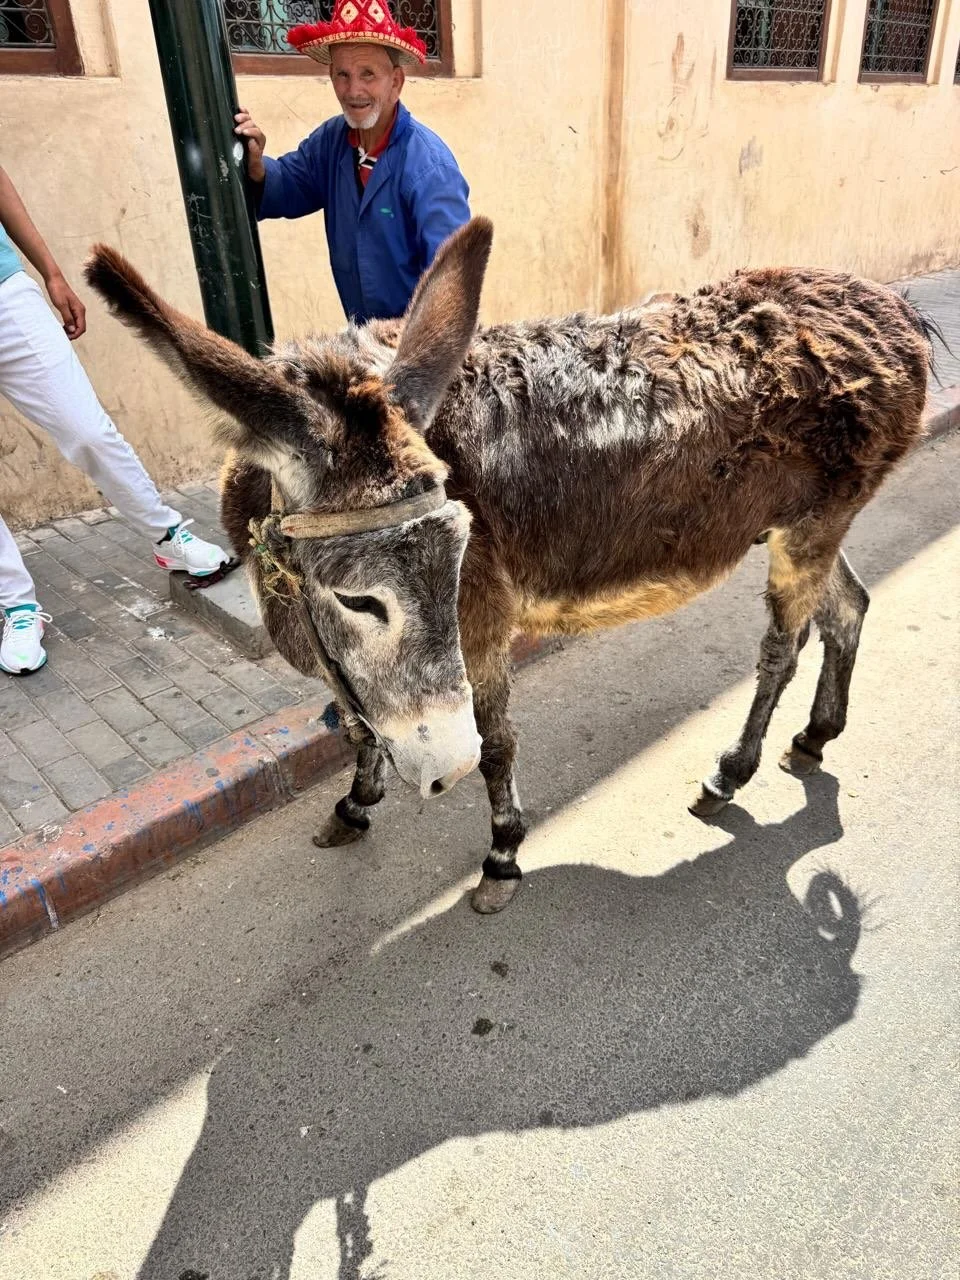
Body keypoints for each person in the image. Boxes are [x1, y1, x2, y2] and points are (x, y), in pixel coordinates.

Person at [0, 165, 231, 676]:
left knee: (86, 428)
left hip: (4, 292)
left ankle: (168, 537)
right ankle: (16, 605)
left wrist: (51, 271)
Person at [234, 0, 470, 325]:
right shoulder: (331, 142)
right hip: (362, 343)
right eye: (342, 75)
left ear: (396, 83)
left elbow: (452, 283)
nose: (353, 90)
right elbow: (289, 184)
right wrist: (257, 166)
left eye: (368, 74)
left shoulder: (429, 167)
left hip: (417, 352)